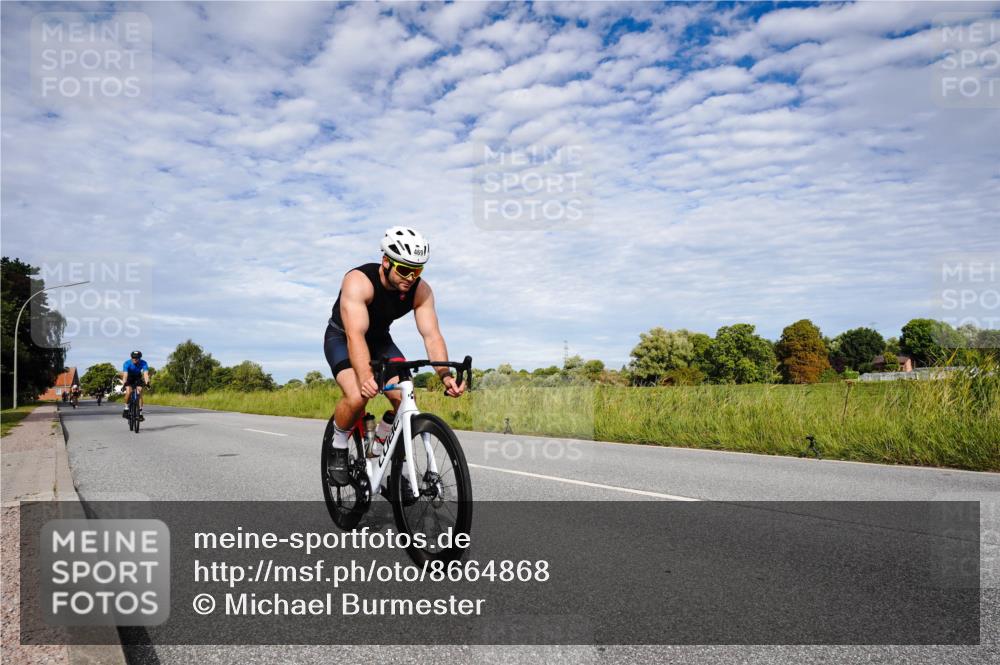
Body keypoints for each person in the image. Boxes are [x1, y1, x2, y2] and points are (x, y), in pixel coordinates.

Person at [324, 226, 465, 485]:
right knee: (357, 395)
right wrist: (366, 376)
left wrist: (445, 374)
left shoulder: (421, 291)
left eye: (417, 271)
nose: (411, 277)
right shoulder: (358, 281)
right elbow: (356, 335)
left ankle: (385, 443)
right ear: (386, 262)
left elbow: (432, 335)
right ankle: (339, 442)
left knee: (404, 395)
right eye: (404, 270)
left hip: (380, 341)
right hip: (343, 338)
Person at [121, 350, 150, 420]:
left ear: (140, 358)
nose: (135, 359)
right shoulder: (127, 363)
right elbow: (125, 375)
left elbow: (145, 374)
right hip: (129, 377)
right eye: (133, 357)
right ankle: (126, 408)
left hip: (137, 377)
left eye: (136, 358)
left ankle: (140, 413)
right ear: (131, 357)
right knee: (128, 391)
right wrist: (124, 384)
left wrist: (147, 383)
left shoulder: (144, 363)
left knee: (139, 392)